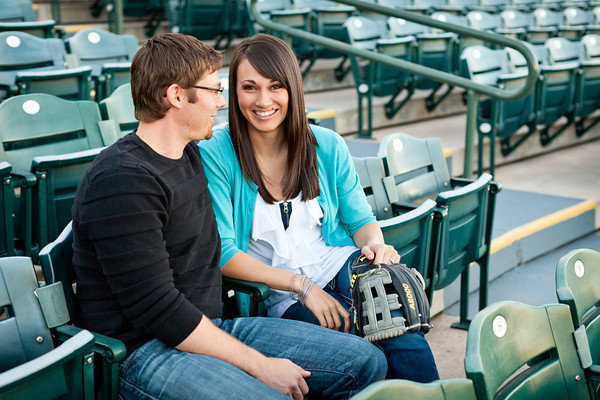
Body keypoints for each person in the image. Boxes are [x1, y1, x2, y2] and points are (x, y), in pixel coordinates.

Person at [71, 33, 388, 400]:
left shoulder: (187, 156)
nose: (222, 104)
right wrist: (259, 364)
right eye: (214, 91)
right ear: (177, 96)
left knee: (366, 363)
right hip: (148, 352)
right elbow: (159, 311)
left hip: (214, 326)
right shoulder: (122, 180)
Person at [199, 33, 440, 382]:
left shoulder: (325, 144)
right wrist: (302, 286)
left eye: (276, 86)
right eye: (250, 87)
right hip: (280, 291)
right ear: (233, 92)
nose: (263, 100)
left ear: (293, 90)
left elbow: (361, 220)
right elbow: (224, 254)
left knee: (396, 319)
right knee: (359, 347)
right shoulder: (217, 152)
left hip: (336, 263)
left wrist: (375, 244)